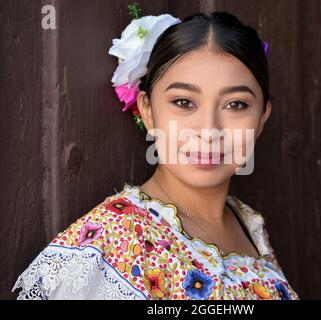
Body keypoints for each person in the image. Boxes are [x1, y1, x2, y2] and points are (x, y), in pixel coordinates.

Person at [12, 9, 299, 300]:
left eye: (235, 105)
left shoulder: (249, 225)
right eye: (184, 102)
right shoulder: (114, 242)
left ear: (262, 117)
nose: (209, 130)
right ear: (148, 111)